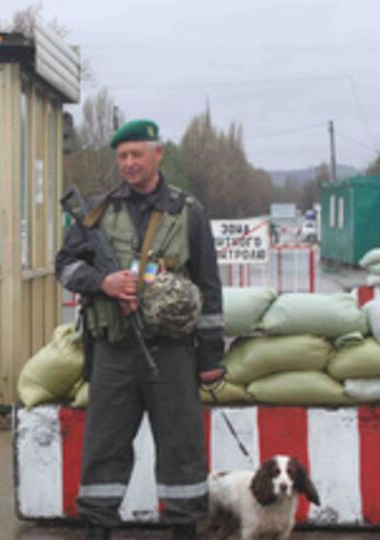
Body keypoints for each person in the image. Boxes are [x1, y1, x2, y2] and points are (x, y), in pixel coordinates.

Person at [55, 119, 226, 540]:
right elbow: (65, 265)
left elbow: (208, 286)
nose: (129, 164)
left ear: (157, 154)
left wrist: (210, 359)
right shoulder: (98, 211)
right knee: (104, 447)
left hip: (171, 353)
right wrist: (103, 283)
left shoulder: (188, 211)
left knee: (181, 446)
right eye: (122, 156)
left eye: (136, 154)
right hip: (113, 351)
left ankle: (183, 528)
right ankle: (98, 527)